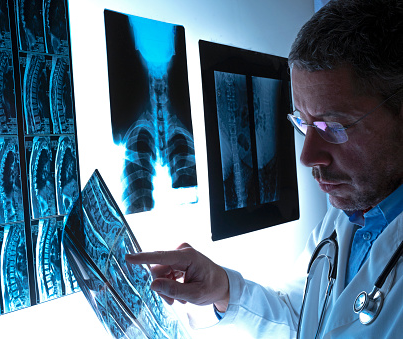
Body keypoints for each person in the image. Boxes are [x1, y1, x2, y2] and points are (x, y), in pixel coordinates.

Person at [126, 0, 403, 337]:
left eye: (333, 127)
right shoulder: (345, 220)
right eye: (303, 123)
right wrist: (222, 289)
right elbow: (304, 314)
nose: (308, 156)